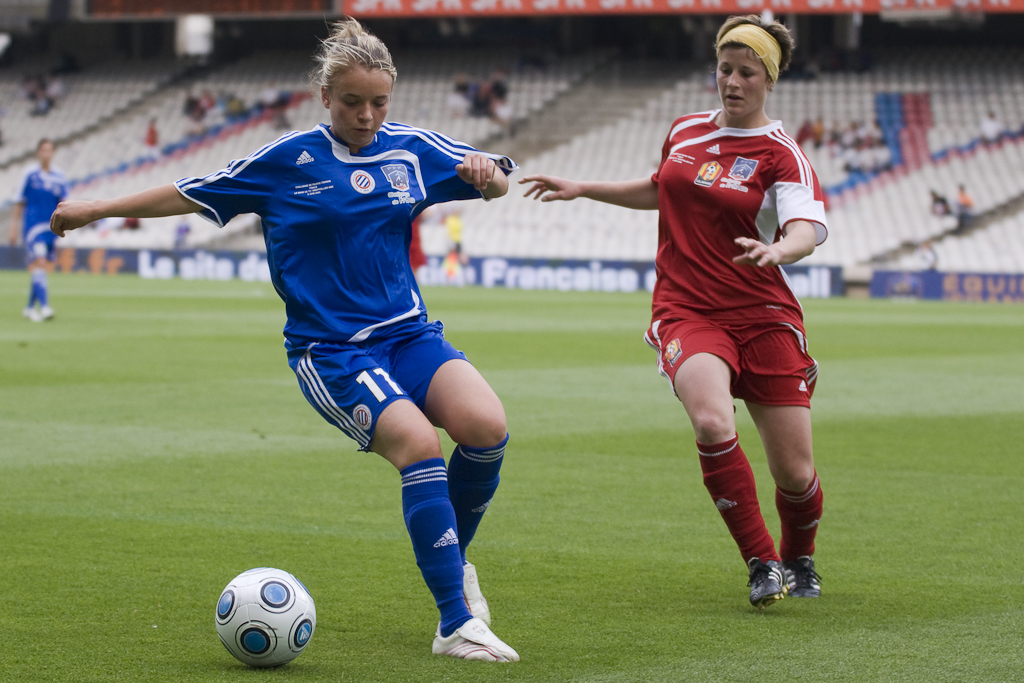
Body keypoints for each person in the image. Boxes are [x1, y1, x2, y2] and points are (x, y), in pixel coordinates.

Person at [50, 19, 520, 662]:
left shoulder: (410, 147)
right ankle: (455, 622)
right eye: (352, 102)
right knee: (418, 444)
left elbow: (494, 178)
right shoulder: (285, 161)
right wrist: (96, 209)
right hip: (331, 351)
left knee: (487, 427)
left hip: (409, 334)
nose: (366, 115)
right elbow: (191, 194)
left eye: (379, 102)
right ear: (325, 97)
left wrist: (487, 175)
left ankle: (452, 560)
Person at [521, 14, 827, 610]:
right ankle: (762, 562)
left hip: (763, 312)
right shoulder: (685, 130)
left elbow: (808, 227)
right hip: (687, 309)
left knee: (795, 473)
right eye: (724, 68)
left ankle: (800, 556)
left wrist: (779, 249)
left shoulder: (781, 154)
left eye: (747, 72)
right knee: (713, 422)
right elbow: (662, 187)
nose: (732, 82)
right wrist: (585, 186)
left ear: (769, 79)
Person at [10, 138, 67, 322]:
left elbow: (64, 203)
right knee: (40, 262)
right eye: (43, 150)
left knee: (40, 268)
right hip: (33, 227)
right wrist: (14, 228)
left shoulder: (59, 176)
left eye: (50, 150)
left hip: (51, 228)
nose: (46, 154)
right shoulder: (30, 174)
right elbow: (19, 201)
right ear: (38, 153)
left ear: (53, 153)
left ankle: (28, 308)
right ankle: (45, 307)